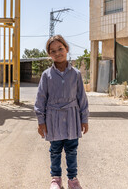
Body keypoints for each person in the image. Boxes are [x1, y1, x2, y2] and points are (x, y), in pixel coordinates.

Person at [34, 35, 89, 189]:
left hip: (72, 118)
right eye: (53, 51)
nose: (57, 53)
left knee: (72, 150)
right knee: (55, 150)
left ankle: (73, 180)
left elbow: (82, 98)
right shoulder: (46, 75)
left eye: (60, 49)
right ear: (49, 54)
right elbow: (40, 99)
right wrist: (41, 122)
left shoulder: (76, 74)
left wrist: (84, 119)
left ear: (67, 49)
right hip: (53, 119)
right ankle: (55, 180)